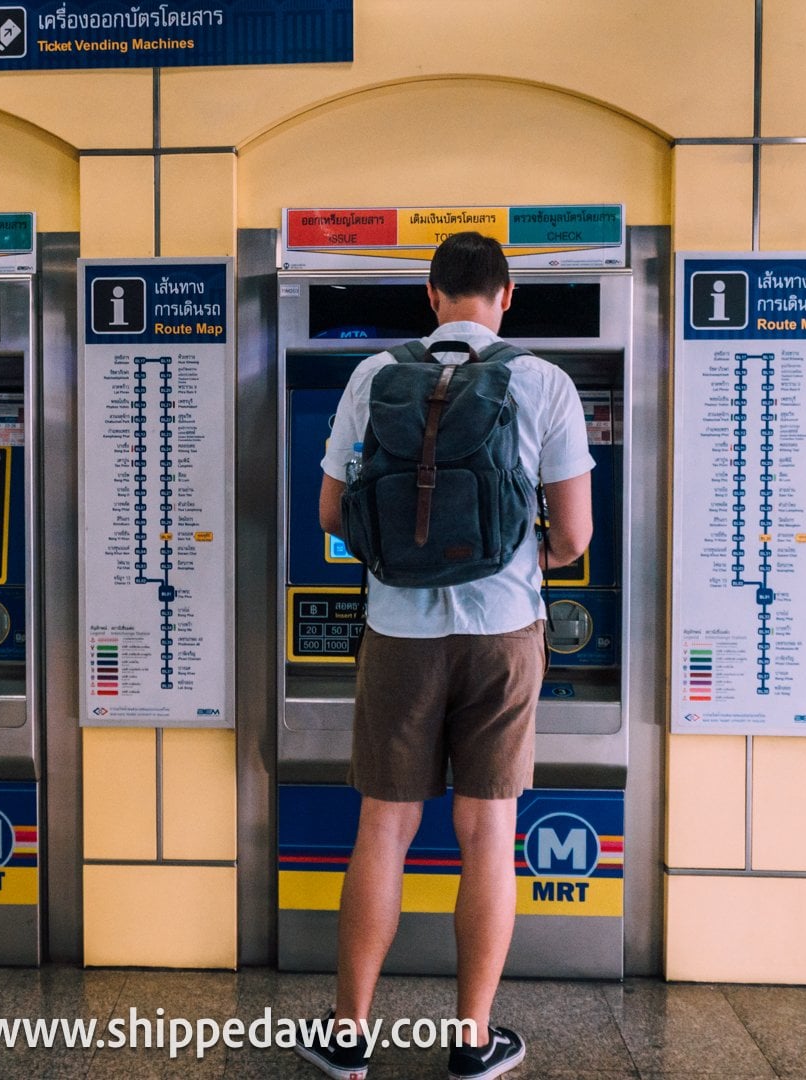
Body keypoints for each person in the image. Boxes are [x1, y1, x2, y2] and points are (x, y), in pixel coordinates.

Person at [298, 232, 594, 1080]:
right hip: (503, 634)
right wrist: (516, 559)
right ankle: (470, 1038)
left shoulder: (372, 376)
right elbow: (572, 535)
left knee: (383, 830)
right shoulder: (544, 382)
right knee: (487, 831)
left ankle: (350, 1035)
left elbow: (328, 512)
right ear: (506, 297)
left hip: (399, 632)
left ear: (431, 297)